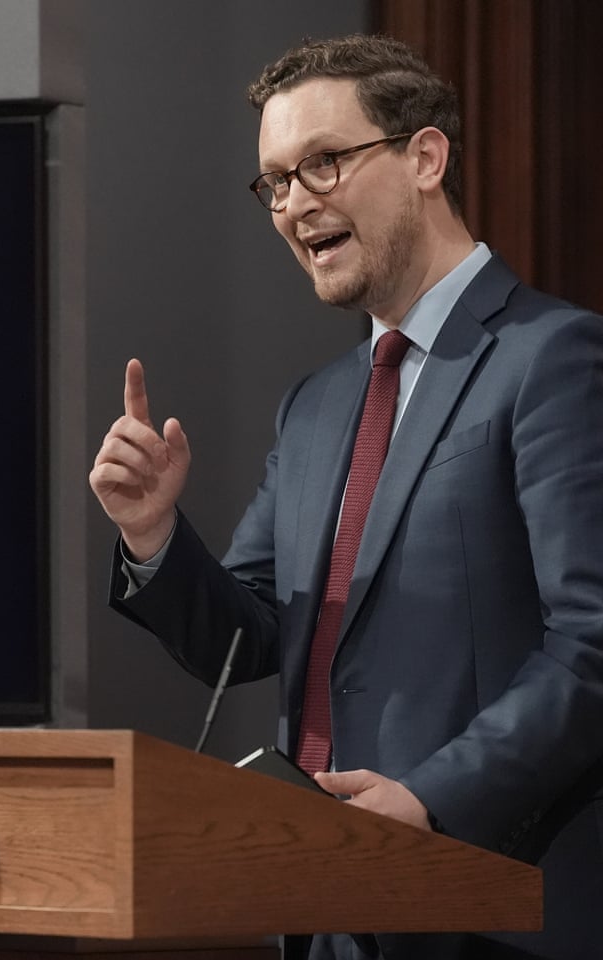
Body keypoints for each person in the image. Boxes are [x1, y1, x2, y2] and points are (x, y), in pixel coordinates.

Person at [89, 33, 603, 960]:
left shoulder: (552, 360)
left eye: (322, 164)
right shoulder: (318, 407)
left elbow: (593, 645)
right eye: (275, 183)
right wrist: (154, 534)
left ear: (424, 158)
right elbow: (247, 636)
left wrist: (431, 796)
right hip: (330, 915)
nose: (293, 205)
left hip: (489, 910)